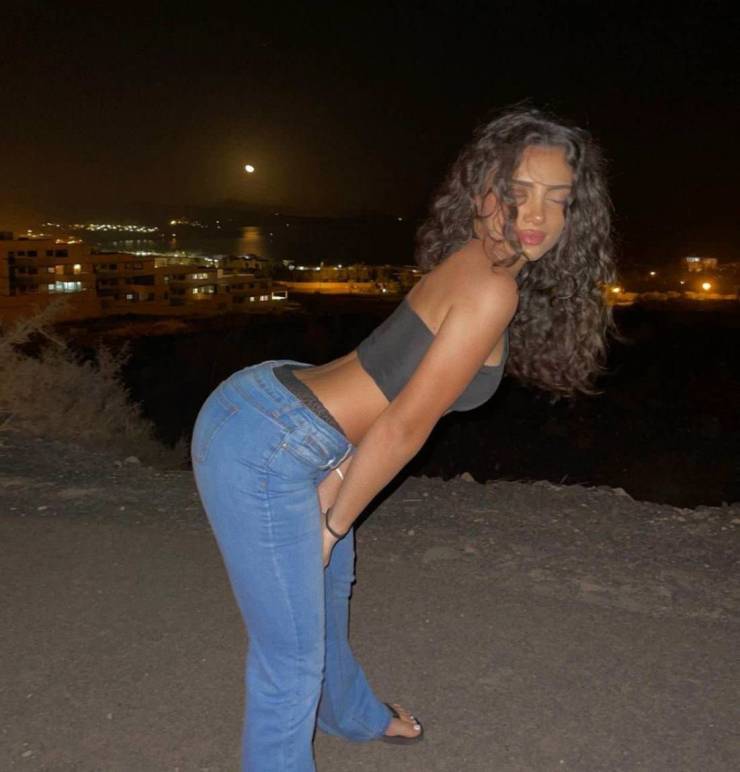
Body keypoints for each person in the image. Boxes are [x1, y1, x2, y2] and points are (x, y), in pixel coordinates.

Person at [190, 106, 617, 771]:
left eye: (557, 199)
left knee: (327, 594)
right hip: (271, 444)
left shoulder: (478, 261)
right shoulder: (491, 288)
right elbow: (404, 424)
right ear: (484, 192)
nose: (537, 214)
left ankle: (347, 713)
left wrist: (335, 498)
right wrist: (331, 524)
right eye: (519, 190)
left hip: (281, 410)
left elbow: (386, 391)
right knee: (289, 659)